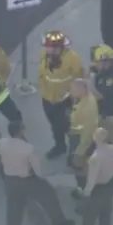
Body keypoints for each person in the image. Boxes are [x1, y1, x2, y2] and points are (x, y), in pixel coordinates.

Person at [0, 121, 75, 225]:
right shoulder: (28, 148)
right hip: (28, 179)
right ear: (20, 132)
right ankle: (58, 221)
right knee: (49, 195)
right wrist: (42, 177)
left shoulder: (1, 143)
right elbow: (37, 169)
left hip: (10, 180)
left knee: (13, 207)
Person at [72, 128, 113, 225]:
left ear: (95, 138)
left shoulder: (95, 157)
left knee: (89, 219)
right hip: (110, 186)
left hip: (97, 189)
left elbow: (92, 179)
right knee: (106, 214)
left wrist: (86, 194)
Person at [38, 30, 84, 159]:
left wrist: (73, 96)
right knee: (55, 125)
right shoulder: (44, 55)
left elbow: (79, 79)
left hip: (66, 100)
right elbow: (41, 75)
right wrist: (44, 92)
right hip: (48, 99)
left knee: (69, 127)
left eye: (49, 47)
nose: (46, 49)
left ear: (58, 48)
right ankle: (60, 146)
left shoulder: (73, 58)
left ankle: (75, 152)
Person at [89, 45, 113, 176]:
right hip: (101, 114)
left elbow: (99, 95)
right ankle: (105, 168)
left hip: (112, 115)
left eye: (99, 62)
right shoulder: (100, 73)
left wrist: (90, 81)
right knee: (101, 143)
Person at [67, 79, 99, 197]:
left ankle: (87, 195)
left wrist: (80, 151)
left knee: (81, 169)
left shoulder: (88, 107)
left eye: (73, 90)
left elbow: (88, 131)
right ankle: (82, 188)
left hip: (82, 141)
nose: (70, 92)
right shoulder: (82, 100)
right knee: (79, 168)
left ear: (82, 90)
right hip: (77, 137)